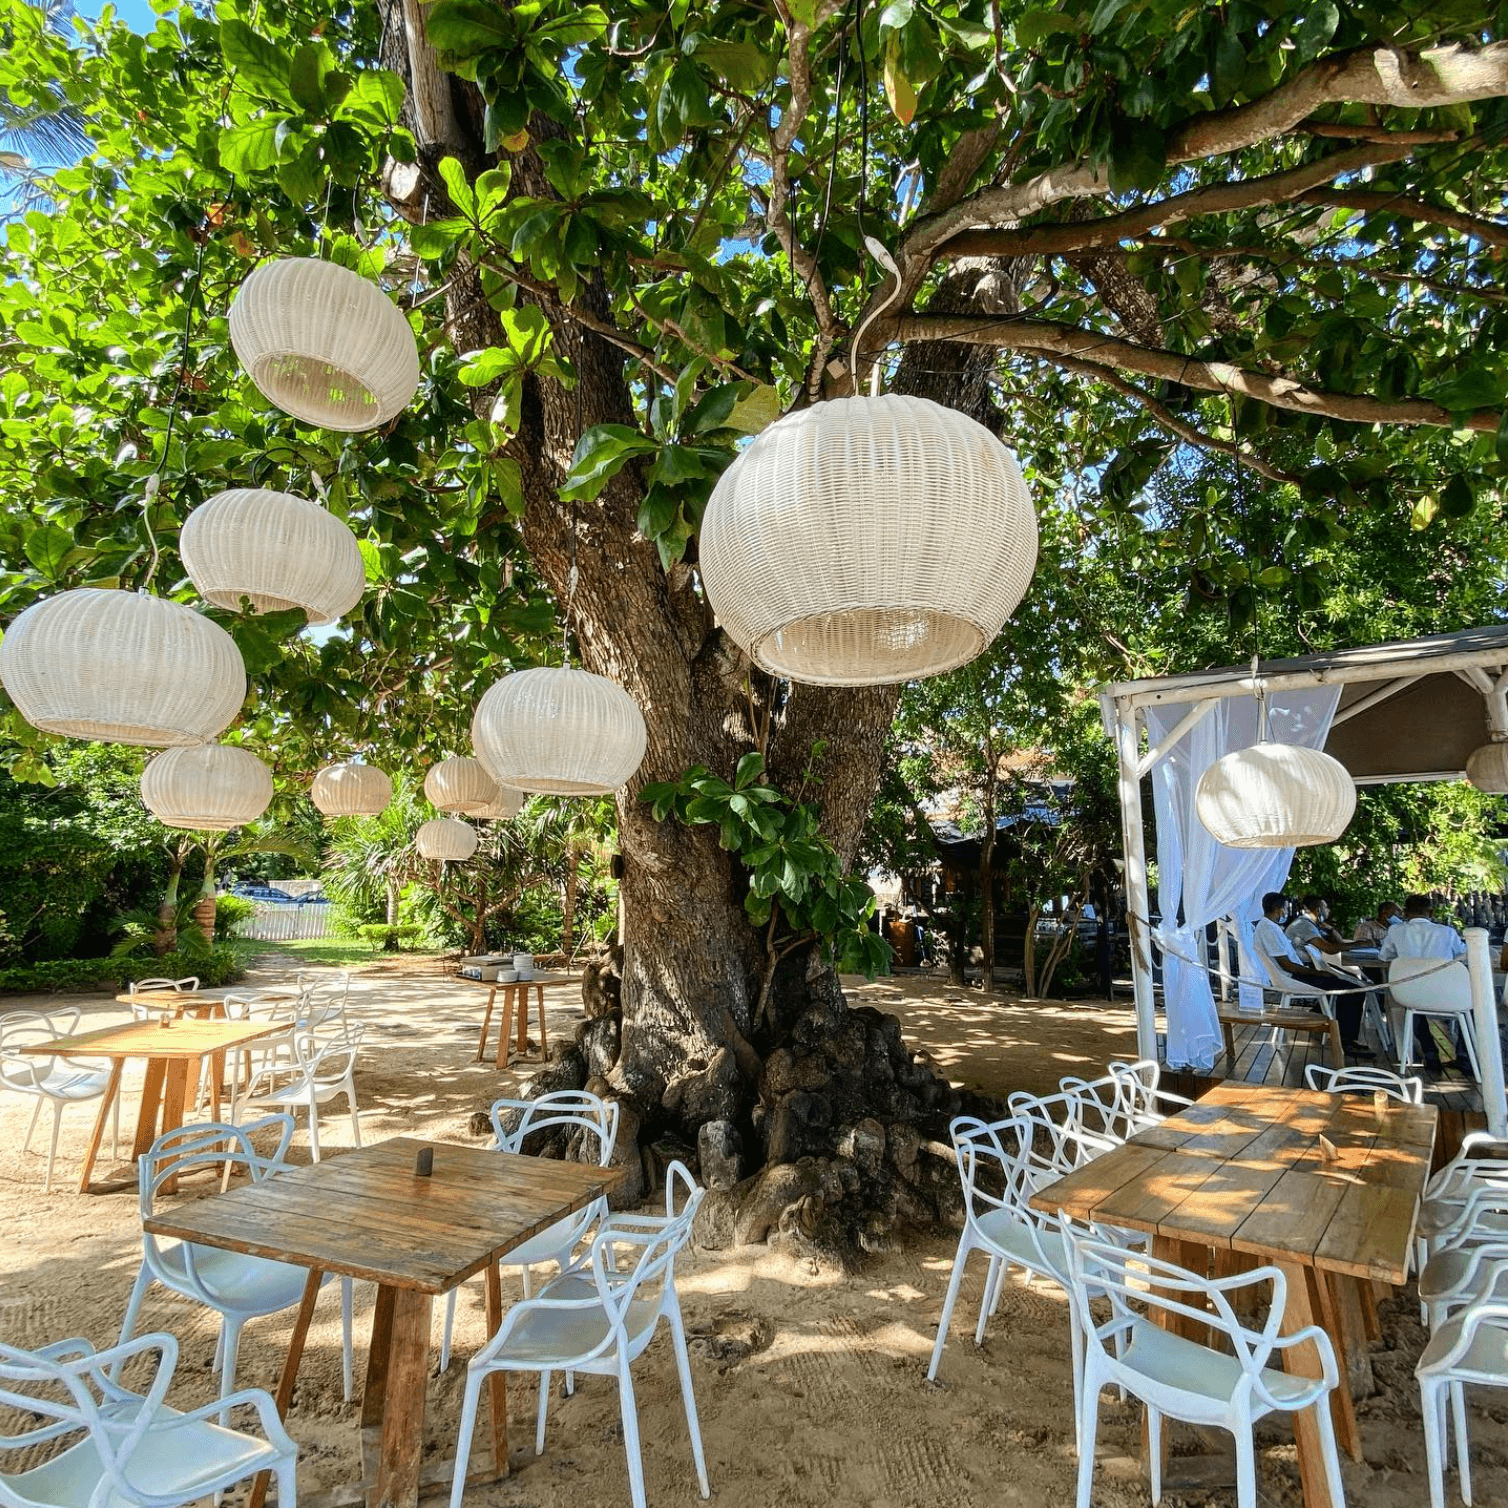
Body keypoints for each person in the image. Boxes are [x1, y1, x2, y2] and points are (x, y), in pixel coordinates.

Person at [1253, 892, 1370, 1056]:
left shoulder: (1270, 926)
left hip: (1294, 974)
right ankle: (1346, 1041)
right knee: (1352, 992)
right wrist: (1317, 973)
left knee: (1343, 983)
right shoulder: (1268, 929)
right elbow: (1287, 965)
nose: (1287, 913)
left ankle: (1326, 1023)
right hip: (1291, 978)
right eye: (1286, 909)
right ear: (1279, 909)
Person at [1380, 893, 1468, 1073]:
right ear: (1431, 912)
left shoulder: (1395, 931)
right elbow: (1464, 955)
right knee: (1472, 1008)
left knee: (1412, 1004)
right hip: (1448, 995)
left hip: (1408, 994)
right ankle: (1464, 1056)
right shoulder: (1447, 932)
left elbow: (1384, 956)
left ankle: (1429, 1051)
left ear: (1404, 912)